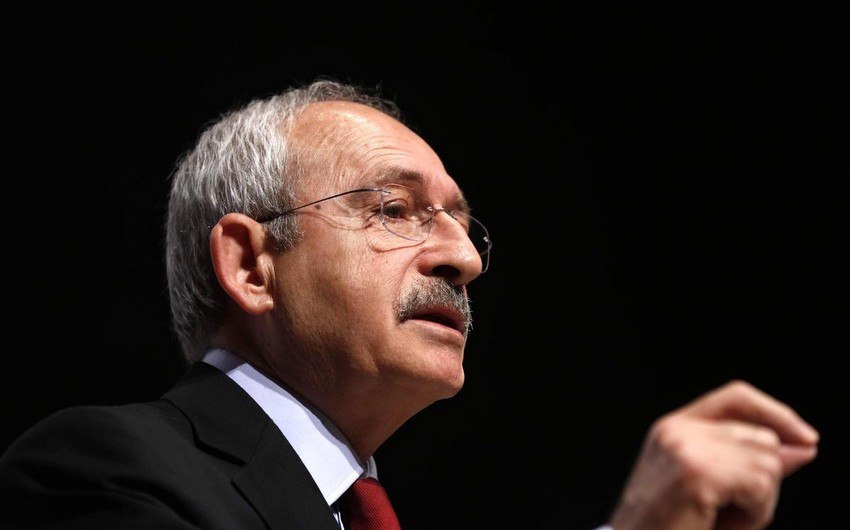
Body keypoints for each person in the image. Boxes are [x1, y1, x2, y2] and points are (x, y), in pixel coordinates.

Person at [0, 79, 819, 530]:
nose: (465, 259)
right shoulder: (102, 470)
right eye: (394, 210)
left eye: (463, 224)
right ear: (251, 265)